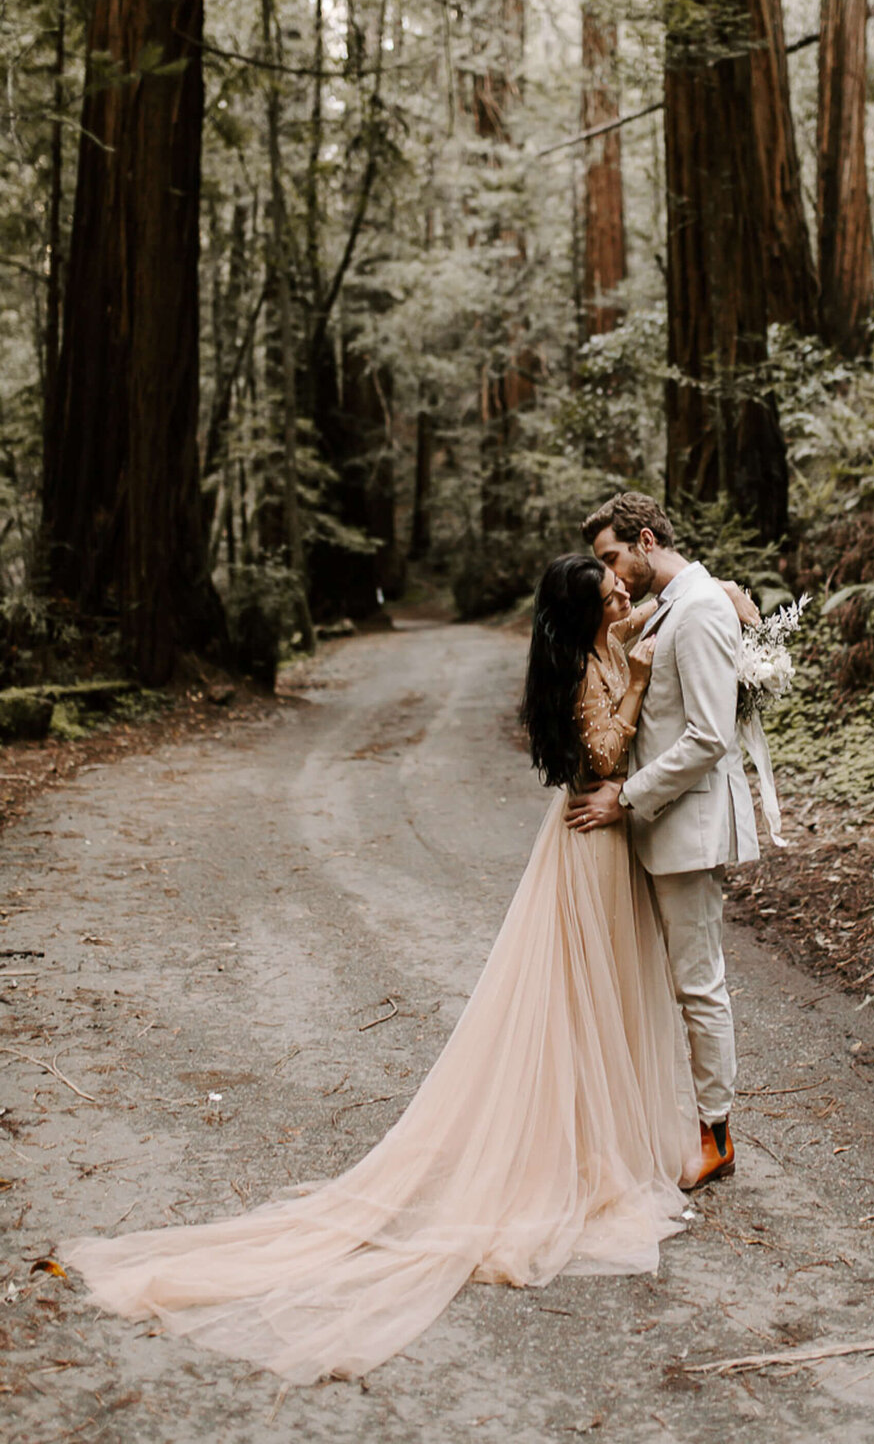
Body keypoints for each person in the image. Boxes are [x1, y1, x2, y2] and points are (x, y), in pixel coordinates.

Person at [58, 552, 718, 1385]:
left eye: (620, 580)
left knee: (608, 994)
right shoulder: (590, 666)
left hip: (597, 841)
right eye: (609, 588)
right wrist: (637, 680)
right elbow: (603, 749)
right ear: (585, 612)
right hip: (593, 835)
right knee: (579, 998)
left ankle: (606, 1138)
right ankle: (581, 1157)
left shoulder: (603, 635)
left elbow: (670, 611)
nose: (623, 588)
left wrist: (711, 600)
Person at [567, 492, 759, 1191]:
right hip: (661, 825)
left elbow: (709, 735)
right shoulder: (683, 600)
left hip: (687, 825)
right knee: (671, 981)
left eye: (613, 557)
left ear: (645, 541)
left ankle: (717, 1136)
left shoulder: (700, 607)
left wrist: (628, 793)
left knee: (697, 984)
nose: (610, 576)